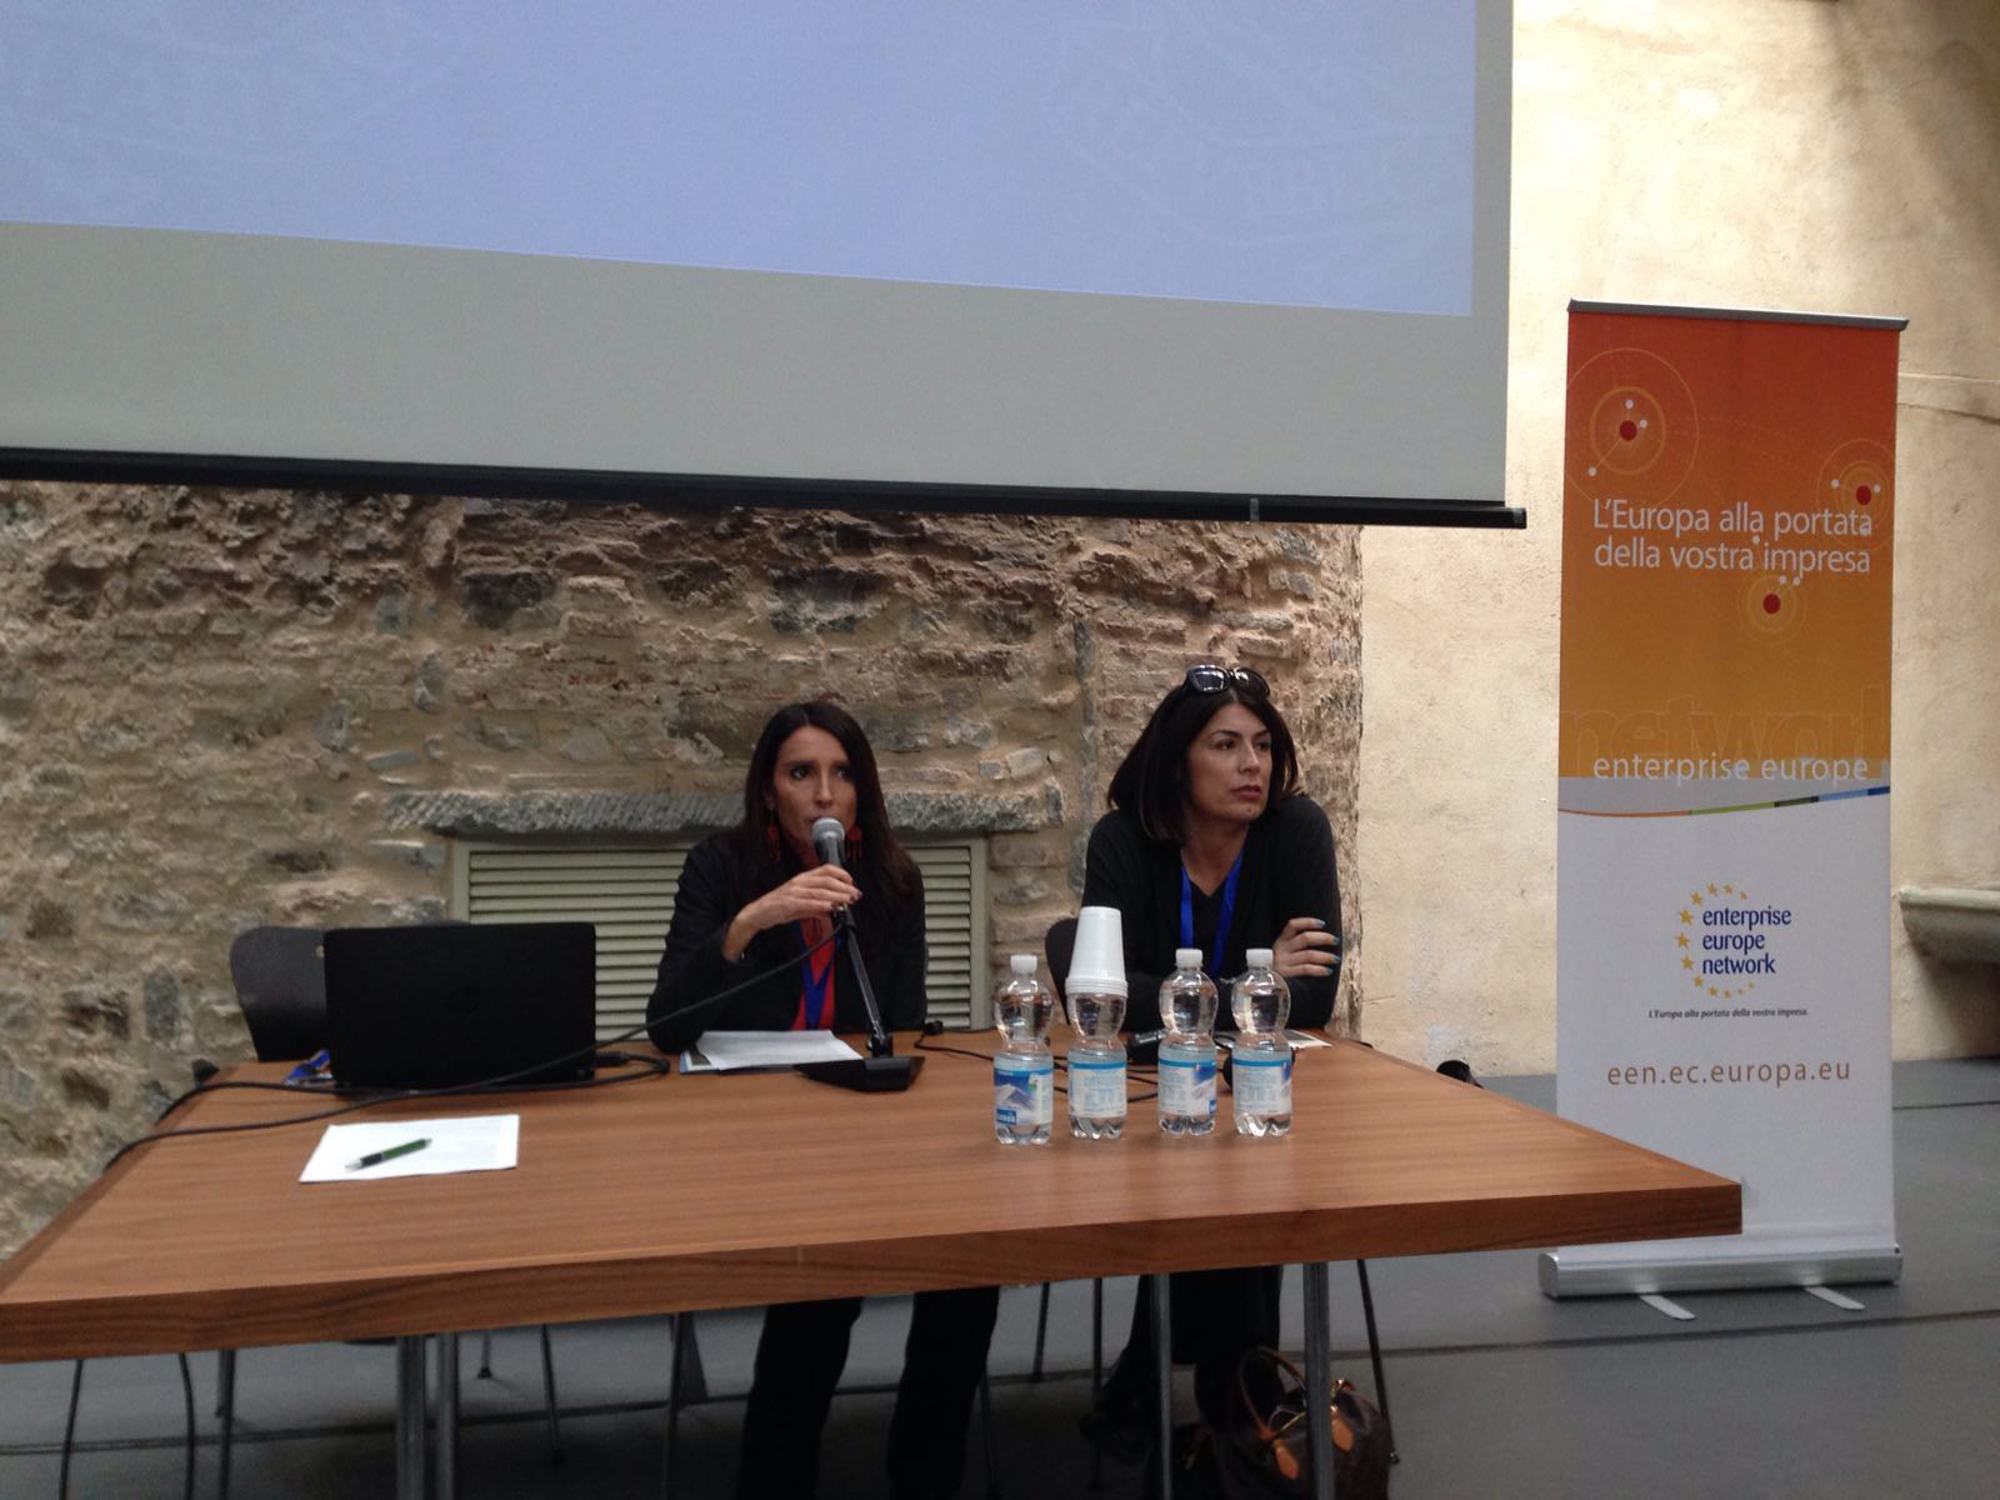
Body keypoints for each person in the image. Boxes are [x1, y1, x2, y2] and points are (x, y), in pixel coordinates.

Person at [647, 699, 1000, 1500]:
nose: (823, 794)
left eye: (842, 775)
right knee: (821, 1287)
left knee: (969, 1266)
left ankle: (925, 1474)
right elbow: (666, 1026)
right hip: (754, 1131)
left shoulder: (892, 880)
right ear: (767, 790)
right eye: (801, 773)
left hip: (860, 1126)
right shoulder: (719, 868)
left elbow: (900, 1027)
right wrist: (749, 925)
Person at [1077, 663, 1342, 1461]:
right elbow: (1106, 995)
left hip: (1269, 1086)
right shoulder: (1123, 841)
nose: (1251, 764)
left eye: (1262, 745)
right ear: (1177, 761)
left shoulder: (1295, 831)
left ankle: (1177, 1384)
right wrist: (1245, 990)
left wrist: (1183, 999)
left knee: (1246, 1150)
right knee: (1204, 1150)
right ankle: (1241, 1400)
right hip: (1149, 1093)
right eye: (1225, 745)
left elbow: (1315, 998)